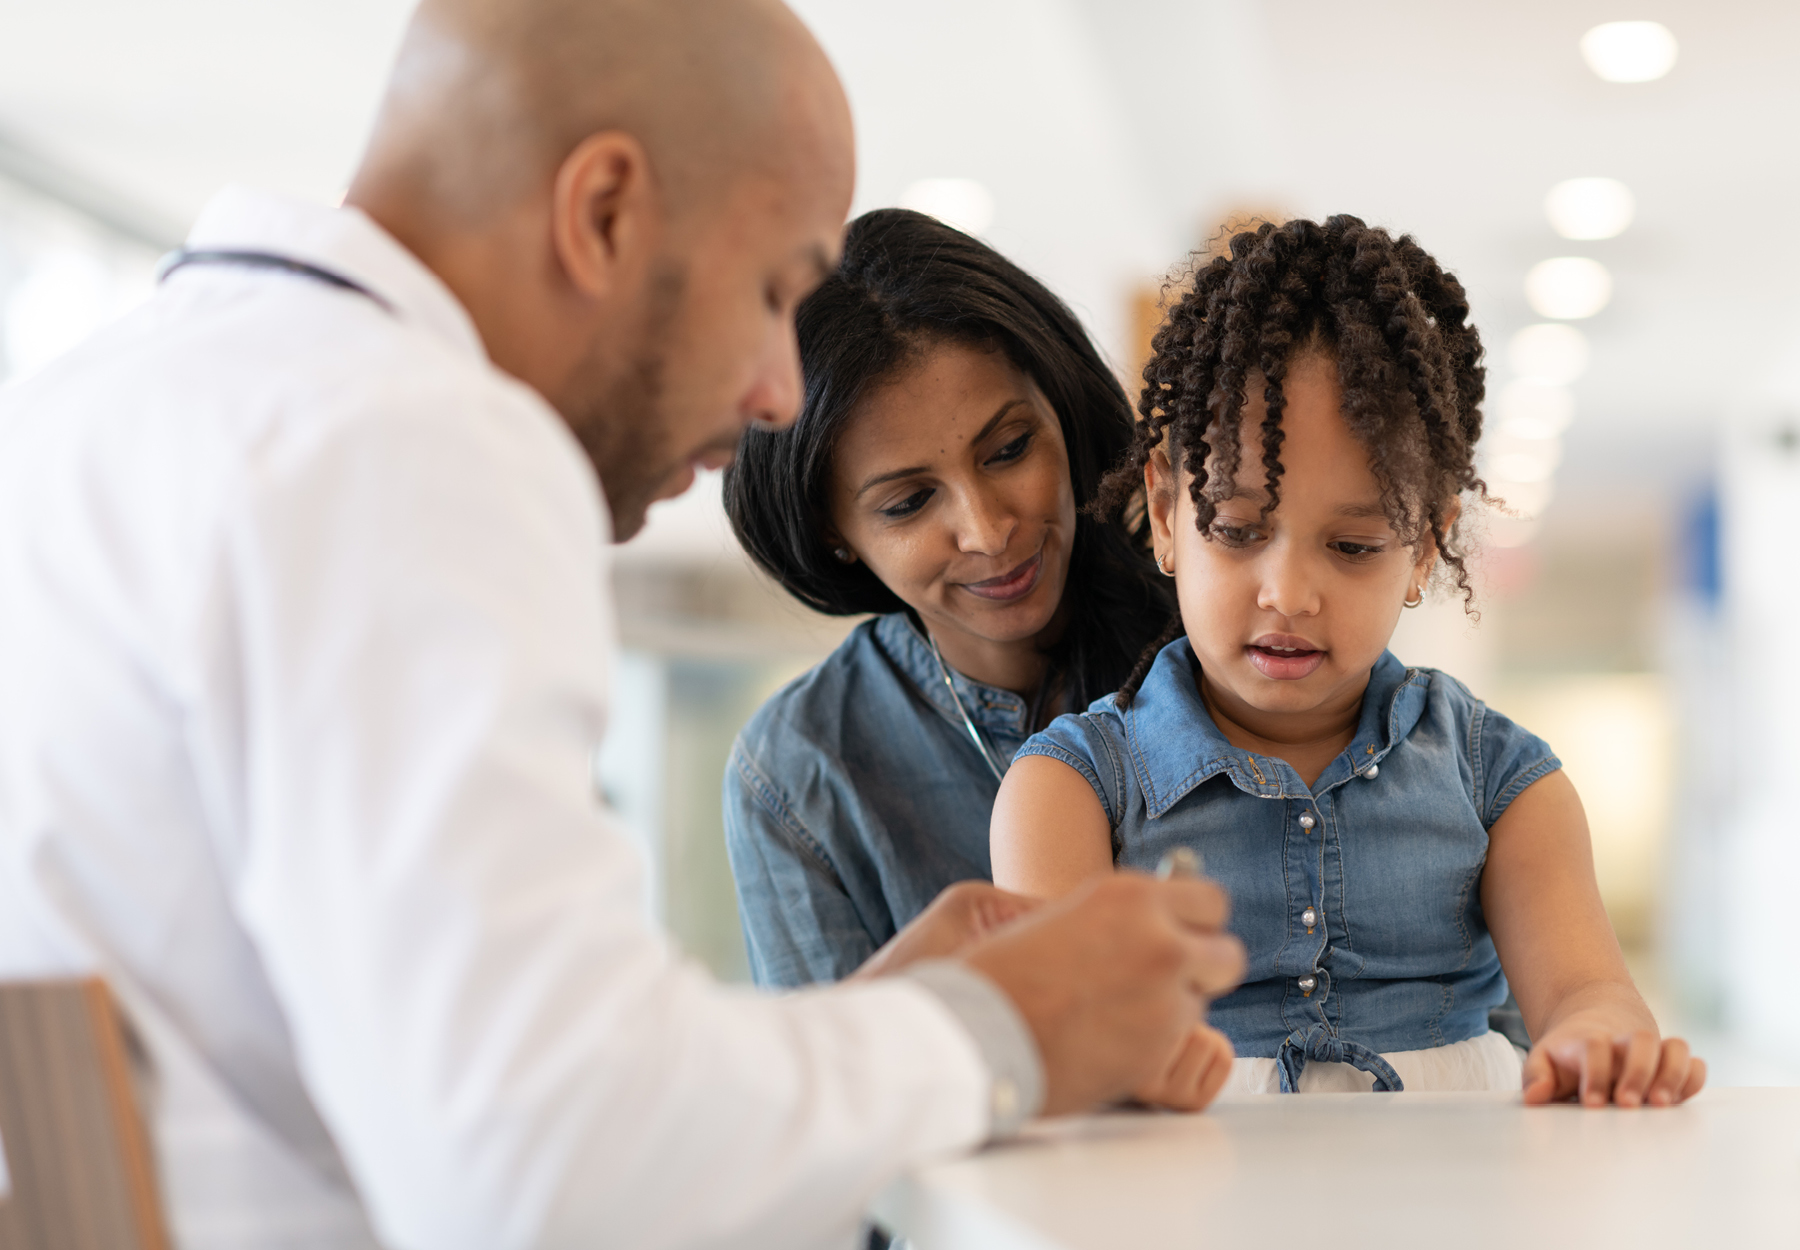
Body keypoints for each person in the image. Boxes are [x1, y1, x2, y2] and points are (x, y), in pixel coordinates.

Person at [0, 2, 1249, 1248]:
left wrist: (880, 1019)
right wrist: (1002, 1023)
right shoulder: (404, 441)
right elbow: (547, 1159)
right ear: (604, 210)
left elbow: (455, 1082)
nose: (771, 387)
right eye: (770, 290)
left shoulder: (89, 414)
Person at [991, 216, 1707, 1107]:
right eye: (1240, 531)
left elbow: (1585, 993)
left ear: (1424, 548)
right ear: (1167, 514)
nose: (1288, 593)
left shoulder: (1503, 782)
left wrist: (1604, 1042)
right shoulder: (1070, 791)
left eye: (1355, 545)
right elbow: (1044, 1035)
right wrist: (1105, 1053)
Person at [720, 208, 1174, 985]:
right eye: (907, 504)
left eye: (1009, 449)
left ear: (1060, 409)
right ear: (835, 534)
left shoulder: (1223, 642)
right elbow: (839, 1093)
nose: (989, 530)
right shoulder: (803, 772)